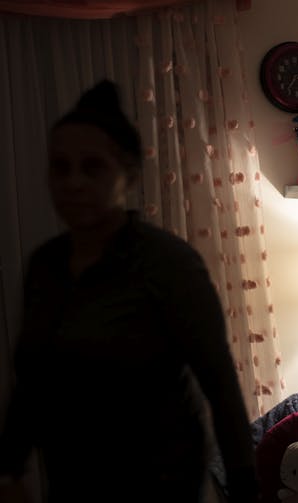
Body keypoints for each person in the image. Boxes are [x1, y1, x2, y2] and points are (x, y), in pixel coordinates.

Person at [0, 80, 257, 502]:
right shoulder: (44, 266)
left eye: (92, 167)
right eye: (60, 167)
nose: (74, 182)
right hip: (71, 482)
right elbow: (31, 379)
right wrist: (8, 469)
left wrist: (245, 489)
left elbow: (220, 385)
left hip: (160, 484)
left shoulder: (169, 264)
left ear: (130, 174)